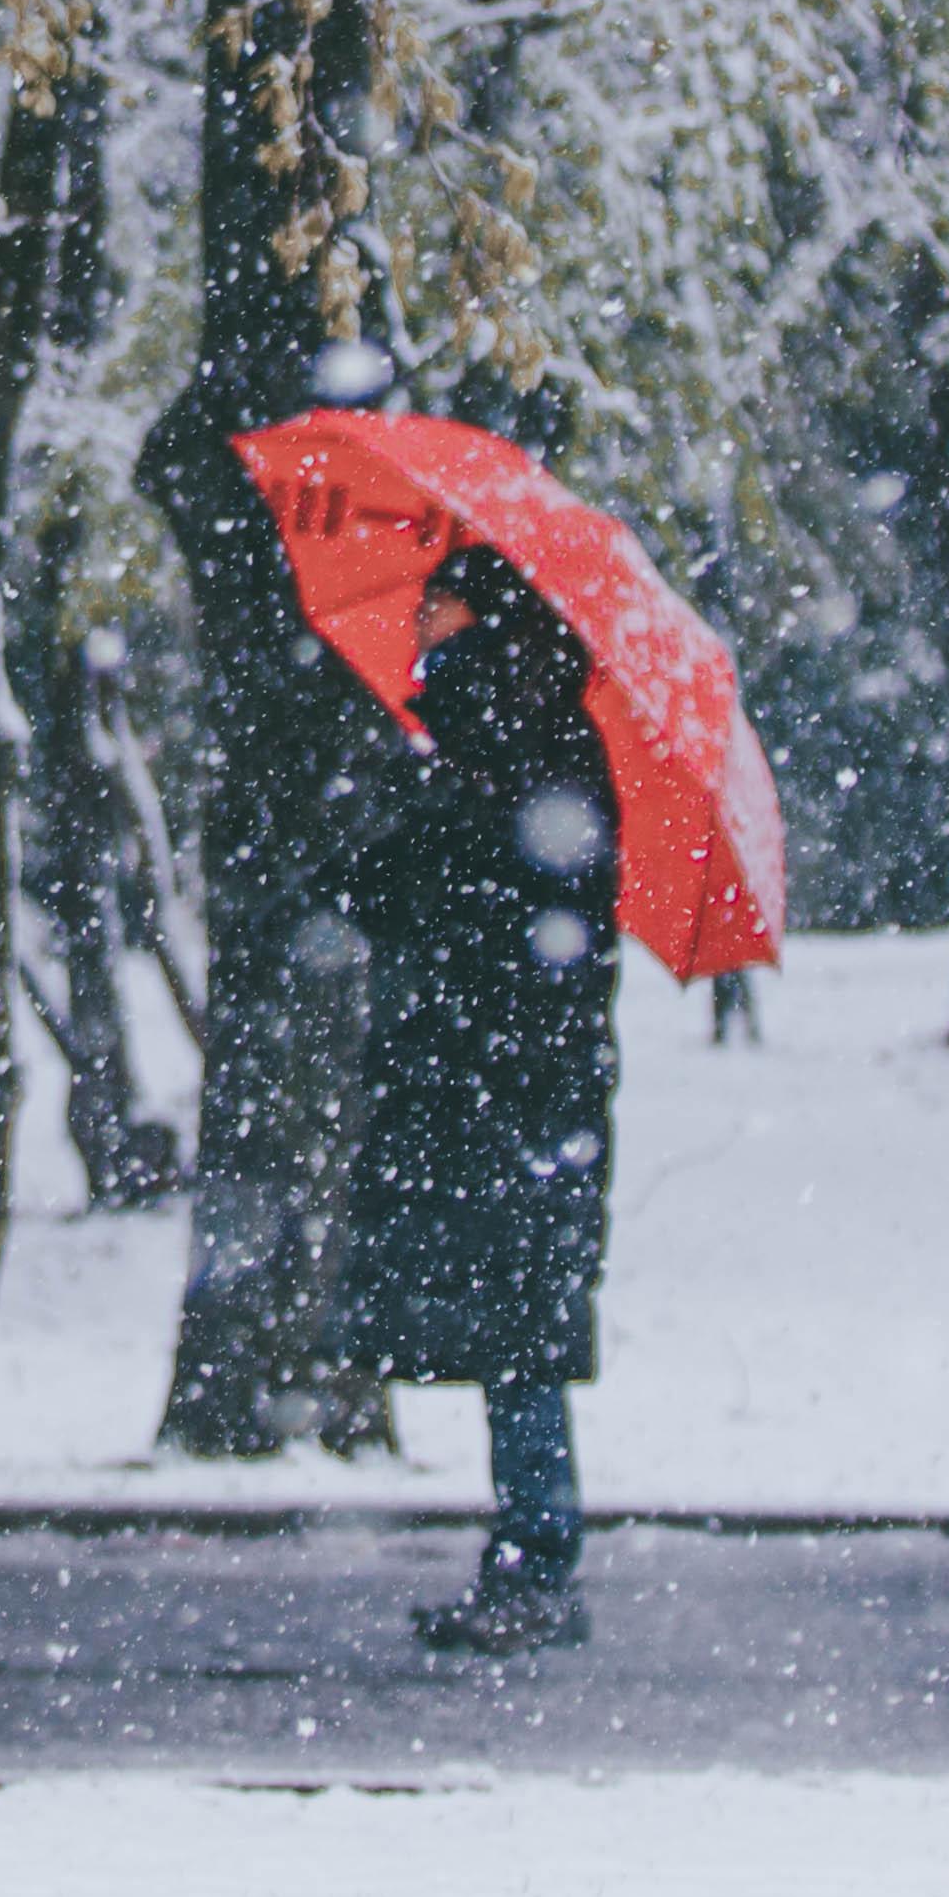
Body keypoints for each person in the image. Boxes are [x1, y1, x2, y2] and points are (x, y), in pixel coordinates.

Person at [332, 545, 622, 1657]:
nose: (419, 620)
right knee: (517, 1324)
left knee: (522, 1328)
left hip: (511, 1087)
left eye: (437, 604)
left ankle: (539, 1558)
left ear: (484, 619)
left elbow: (471, 894)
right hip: (511, 1084)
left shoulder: (510, 748)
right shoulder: (502, 738)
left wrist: (393, 855)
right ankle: (531, 1553)